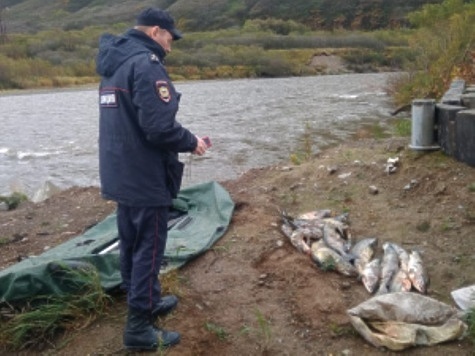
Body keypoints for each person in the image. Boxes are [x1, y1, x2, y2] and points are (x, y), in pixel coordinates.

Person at [95, 7, 209, 350]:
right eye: (170, 38)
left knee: (131, 240)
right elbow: (159, 127)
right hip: (144, 175)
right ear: (156, 31)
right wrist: (193, 142)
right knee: (149, 247)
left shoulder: (113, 64)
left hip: (120, 170)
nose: (172, 46)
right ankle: (139, 328)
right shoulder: (145, 64)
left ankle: (142, 298)